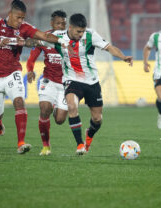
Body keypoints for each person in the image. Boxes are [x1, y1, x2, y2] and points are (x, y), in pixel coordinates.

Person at [0, 0, 70, 154]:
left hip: (12, 72)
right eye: (18, 18)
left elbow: (43, 36)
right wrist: (0, 42)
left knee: (19, 101)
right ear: (10, 14)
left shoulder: (25, 28)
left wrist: (62, 41)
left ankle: (21, 143)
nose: (21, 21)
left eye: (23, 18)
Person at [41, 13, 133, 155]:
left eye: (83, 31)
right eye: (78, 31)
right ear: (70, 28)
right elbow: (38, 38)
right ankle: (80, 145)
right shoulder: (57, 36)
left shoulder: (90, 35)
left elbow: (109, 47)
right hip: (71, 80)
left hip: (92, 82)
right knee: (72, 106)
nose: (81, 34)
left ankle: (89, 134)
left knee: (97, 119)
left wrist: (123, 57)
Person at [26, 10, 68, 156]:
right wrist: (30, 70)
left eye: (63, 23)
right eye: (58, 23)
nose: (61, 26)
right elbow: (31, 58)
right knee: (44, 109)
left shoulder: (70, 39)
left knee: (60, 120)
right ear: (52, 24)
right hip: (48, 80)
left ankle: (57, 106)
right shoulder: (44, 38)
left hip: (65, 84)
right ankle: (46, 146)